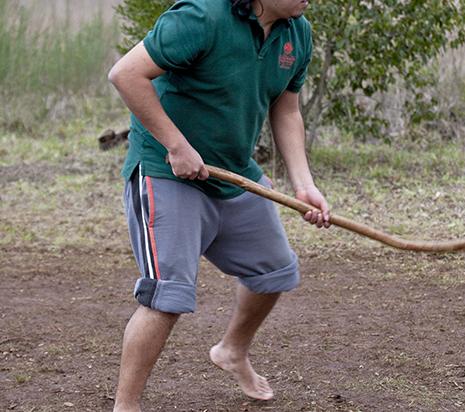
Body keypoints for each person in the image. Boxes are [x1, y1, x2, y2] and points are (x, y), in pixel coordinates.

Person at [108, 0, 329, 409]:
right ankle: (126, 405)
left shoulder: (297, 33)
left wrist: (304, 184)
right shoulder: (201, 17)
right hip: (165, 171)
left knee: (275, 271)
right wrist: (176, 145)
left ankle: (231, 350)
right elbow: (126, 74)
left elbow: (287, 107)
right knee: (166, 298)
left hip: (232, 172)